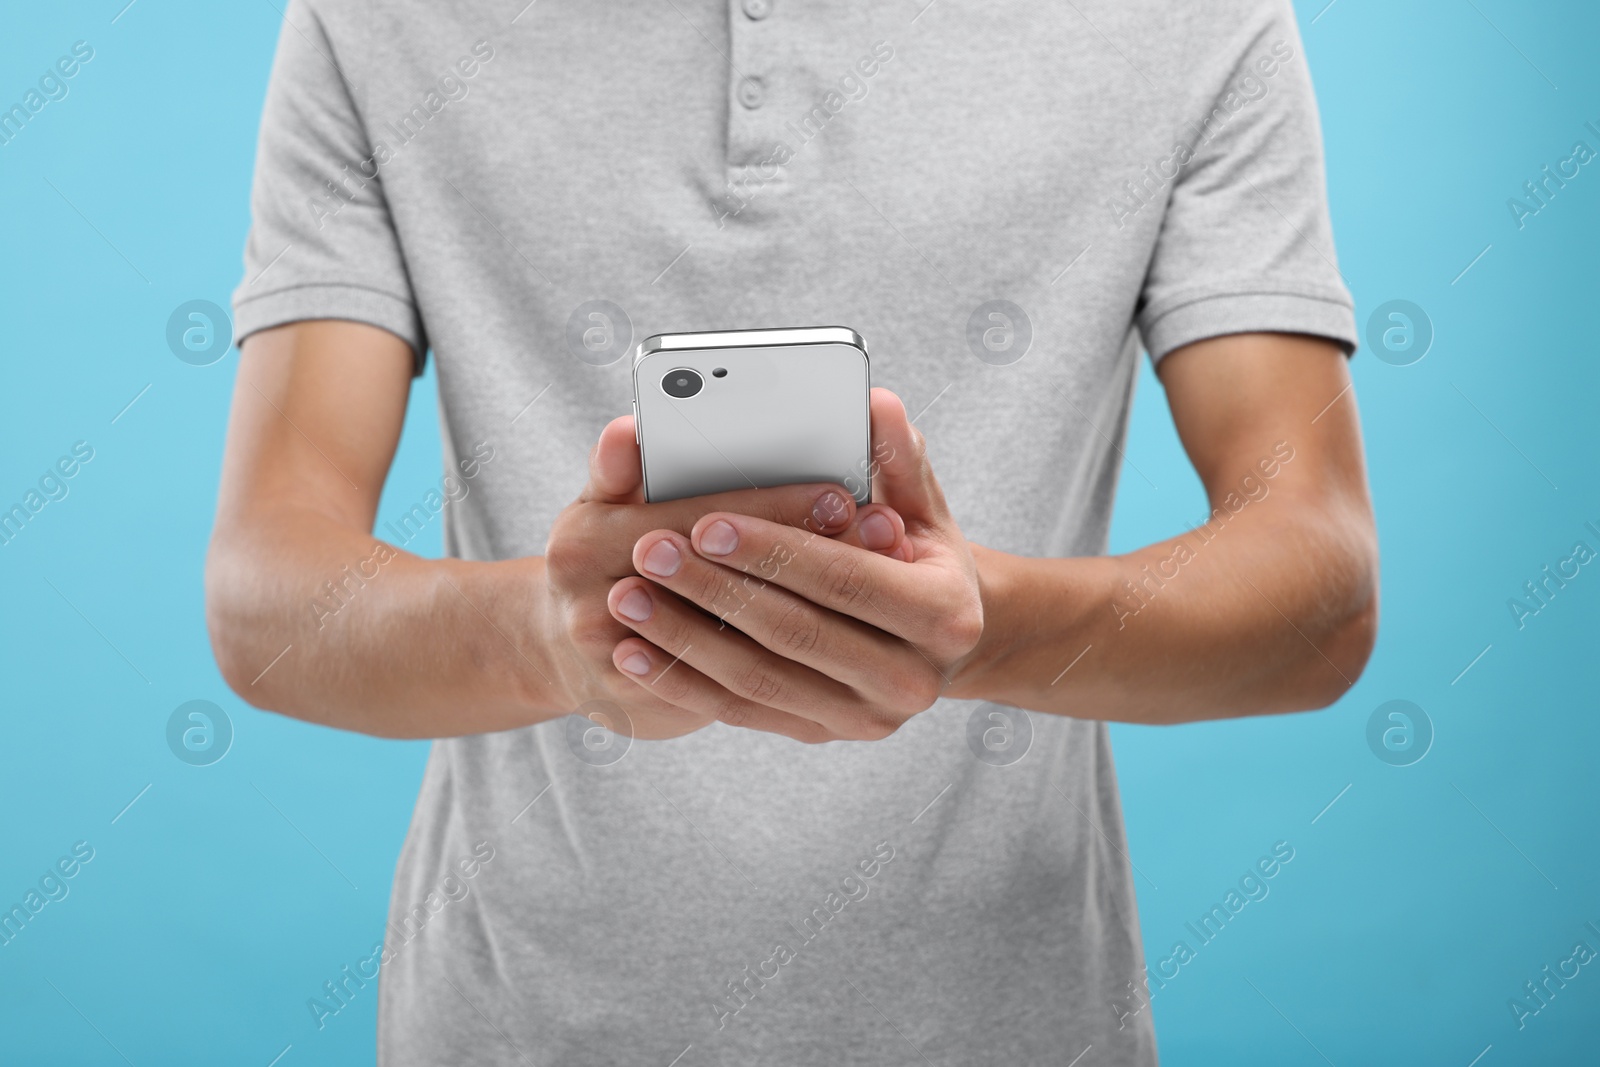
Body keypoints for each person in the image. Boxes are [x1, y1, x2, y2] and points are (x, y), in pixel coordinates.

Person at [207, 0, 1378, 1062]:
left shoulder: (1192, 20)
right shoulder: (374, 21)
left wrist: (981, 627)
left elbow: (1317, 580)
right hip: (508, 1028)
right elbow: (268, 592)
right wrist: (546, 637)